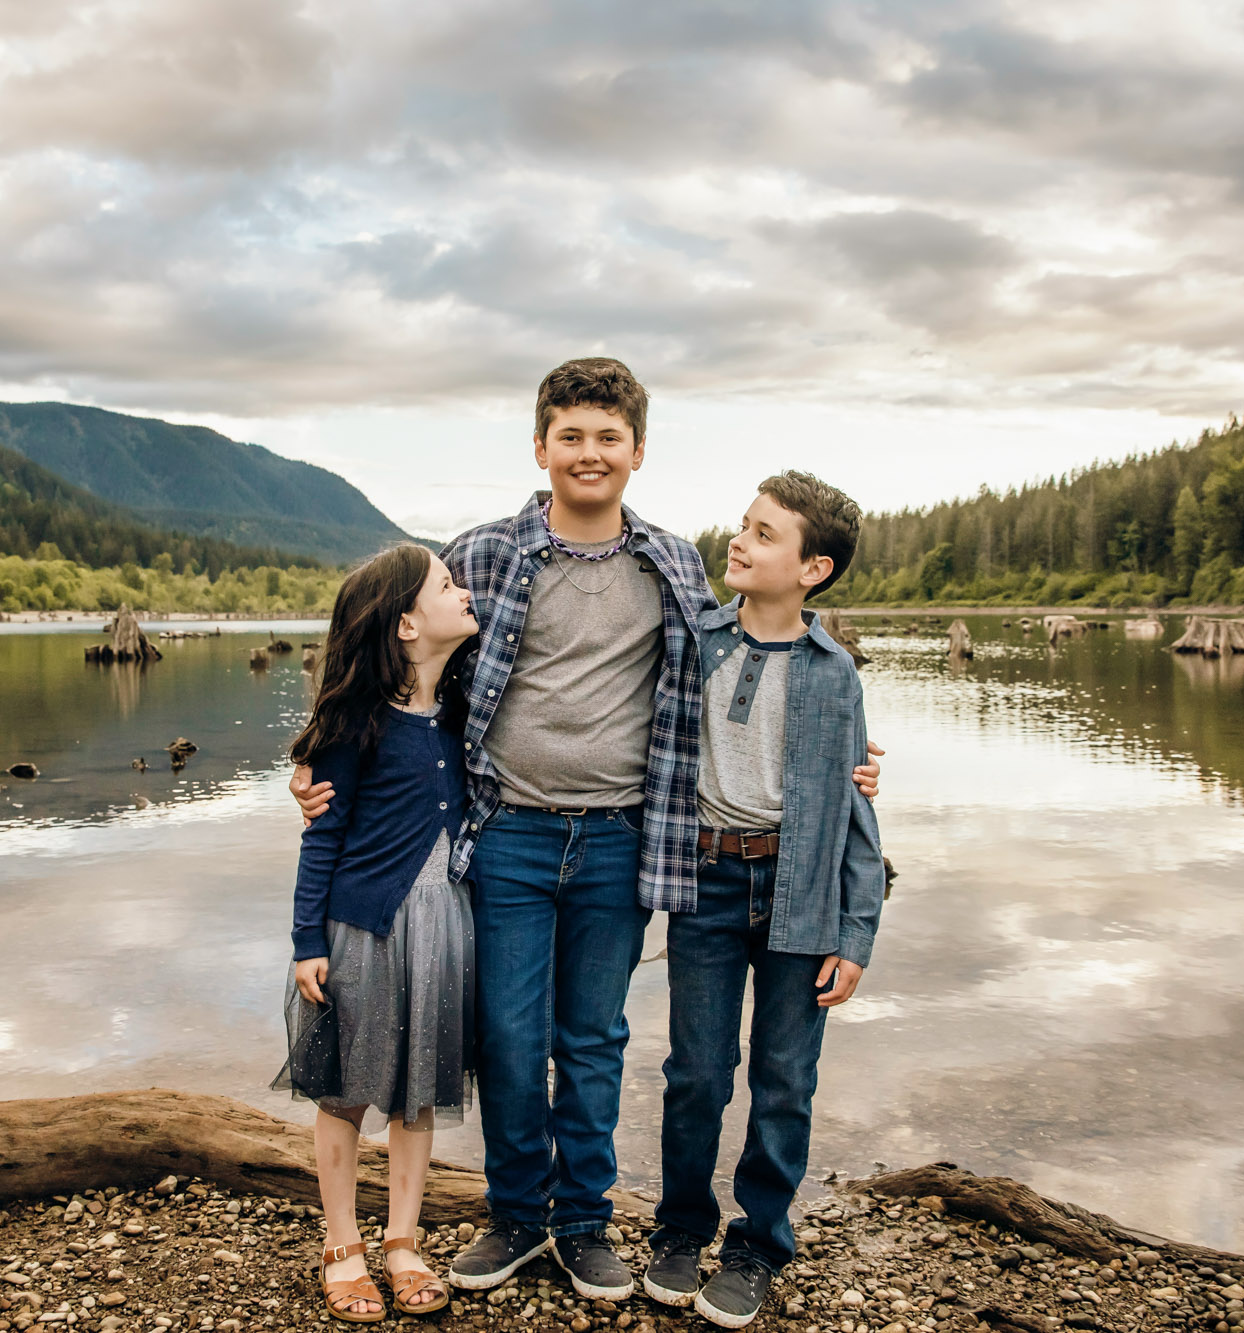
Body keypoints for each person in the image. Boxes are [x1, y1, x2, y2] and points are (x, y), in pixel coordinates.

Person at [292, 359, 882, 1303]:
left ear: (637, 452)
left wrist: (840, 757)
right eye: (571, 434)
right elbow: (392, 655)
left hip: (623, 838)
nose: (590, 452)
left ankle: (583, 1223)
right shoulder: (481, 554)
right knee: (511, 1037)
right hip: (509, 836)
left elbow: (747, 663)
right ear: (541, 446)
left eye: (609, 436)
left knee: (596, 1038)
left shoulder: (674, 562)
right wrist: (322, 760)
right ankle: (517, 1215)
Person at [641, 472, 884, 1329]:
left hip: (800, 891)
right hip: (704, 882)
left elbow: (854, 812)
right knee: (697, 1073)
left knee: (785, 1078)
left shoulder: (834, 673)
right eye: (743, 525)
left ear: (812, 568)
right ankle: (678, 1230)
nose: (739, 542)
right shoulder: (696, 641)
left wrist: (855, 933)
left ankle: (757, 1245)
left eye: (764, 534)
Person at [274, 543, 479, 1323]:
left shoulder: (463, 710)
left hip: (446, 926)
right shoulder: (353, 723)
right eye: (447, 585)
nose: (464, 592)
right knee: (347, 1091)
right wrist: (306, 940)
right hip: (363, 929)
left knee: (419, 1093)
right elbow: (320, 837)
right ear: (403, 624)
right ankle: (340, 1243)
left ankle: (401, 1239)